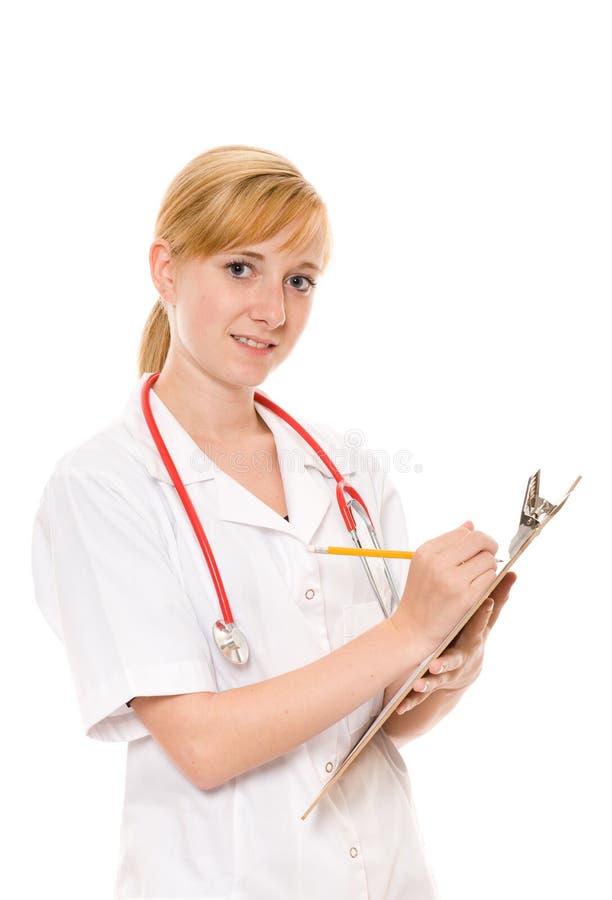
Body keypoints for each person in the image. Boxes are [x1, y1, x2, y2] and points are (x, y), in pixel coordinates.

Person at [30, 144, 517, 899]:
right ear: (165, 269)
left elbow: (381, 725)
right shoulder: (102, 485)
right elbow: (201, 744)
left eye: (299, 280)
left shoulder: (348, 469)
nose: (273, 310)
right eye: (239, 269)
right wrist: (409, 632)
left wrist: (451, 663)